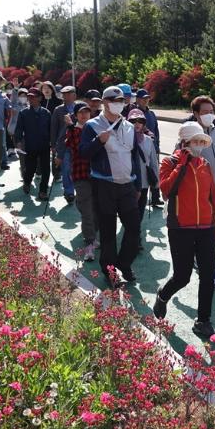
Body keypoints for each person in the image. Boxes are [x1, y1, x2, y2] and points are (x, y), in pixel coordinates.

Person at [152, 121, 215, 338]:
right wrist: (182, 163)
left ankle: (203, 321)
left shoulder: (205, 164)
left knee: (208, 275)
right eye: (196, 141)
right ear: (184, 142)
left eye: (202, 141)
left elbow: (212, 198)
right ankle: (162, 296)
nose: (200, 145)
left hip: (207, 228)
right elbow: (166, 190)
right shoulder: (169, 162)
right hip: (180, 228)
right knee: (183, 276)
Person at [79, 86, 141, 287]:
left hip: (127, 186)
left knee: (134, 228)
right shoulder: (92, 125)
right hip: (103, 185)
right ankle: (110, 272)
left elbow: (134, 156)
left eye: (122, 100)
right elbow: (83, 153)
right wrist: (98, 141)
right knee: (108, 232)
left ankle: (124, 263)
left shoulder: (129, 126)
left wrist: (137, 183)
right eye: (114, 100)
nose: (119, 103)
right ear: (104, 102)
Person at [186, 95, 215, 288]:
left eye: (211, 112)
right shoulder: (189, 136)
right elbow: (179, 161)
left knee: (213, 229)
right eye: (204, 112)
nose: (208, 115)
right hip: (198, 193)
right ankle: (210, 268)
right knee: (205, 231)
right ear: (195, 114)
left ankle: (213, 268)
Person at [64, 102, 98, 262]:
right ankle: (90, 242)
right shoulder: (73, 131)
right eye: (81, 112)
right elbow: (78, 147)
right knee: (87, 211)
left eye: (87, 112)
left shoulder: (94, 128)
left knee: (96, 208)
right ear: (76, 115)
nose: (84, 115)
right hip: (81, 174)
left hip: (98, 176)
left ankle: (94, 236)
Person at [15, 88, 53, 201]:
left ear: (40, 98)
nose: (30, 99)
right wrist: (18, 142)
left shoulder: (46, 113)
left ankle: (43, 191)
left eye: (33, 97)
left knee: (46, 169)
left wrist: (53, 144)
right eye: (29, 97)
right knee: (30, 167)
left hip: (44, 145)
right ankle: (27, 182)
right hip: (30, 145)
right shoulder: (24, 113)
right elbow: (19, 129)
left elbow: (51, 129)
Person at [128, 108, 160, 228]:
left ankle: (136, 237)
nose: (137, 123)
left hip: (144, 182)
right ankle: (132, 232)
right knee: (128, 212)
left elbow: (153, 162)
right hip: (128, 182)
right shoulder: (123, 139)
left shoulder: (148, 140)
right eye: (133, 121)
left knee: (140, 210)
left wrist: (156, 182)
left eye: (140, 120)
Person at [135, 88, 162, 208]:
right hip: (141, 147)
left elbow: (156, 131)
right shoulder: (134, 113)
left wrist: (157, 145)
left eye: (147, 98)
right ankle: (141, 198)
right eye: (143, 98)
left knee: (154, 171)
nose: (145, 101)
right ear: (137, 99)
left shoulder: (151, 114)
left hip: (153, 147)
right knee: (144, 173)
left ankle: (155, 197)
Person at [51, 86, 78, 203]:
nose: (66, 96)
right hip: (64, 145)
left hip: (78, 144)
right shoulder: (58, 110)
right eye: (64, 94)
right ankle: (69, 192)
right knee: (66, 168)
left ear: (74, 95)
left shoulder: (80, 108)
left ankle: (79, 190)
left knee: (77, 169)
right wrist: (53, 145)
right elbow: (53, 129)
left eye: (69, 94)